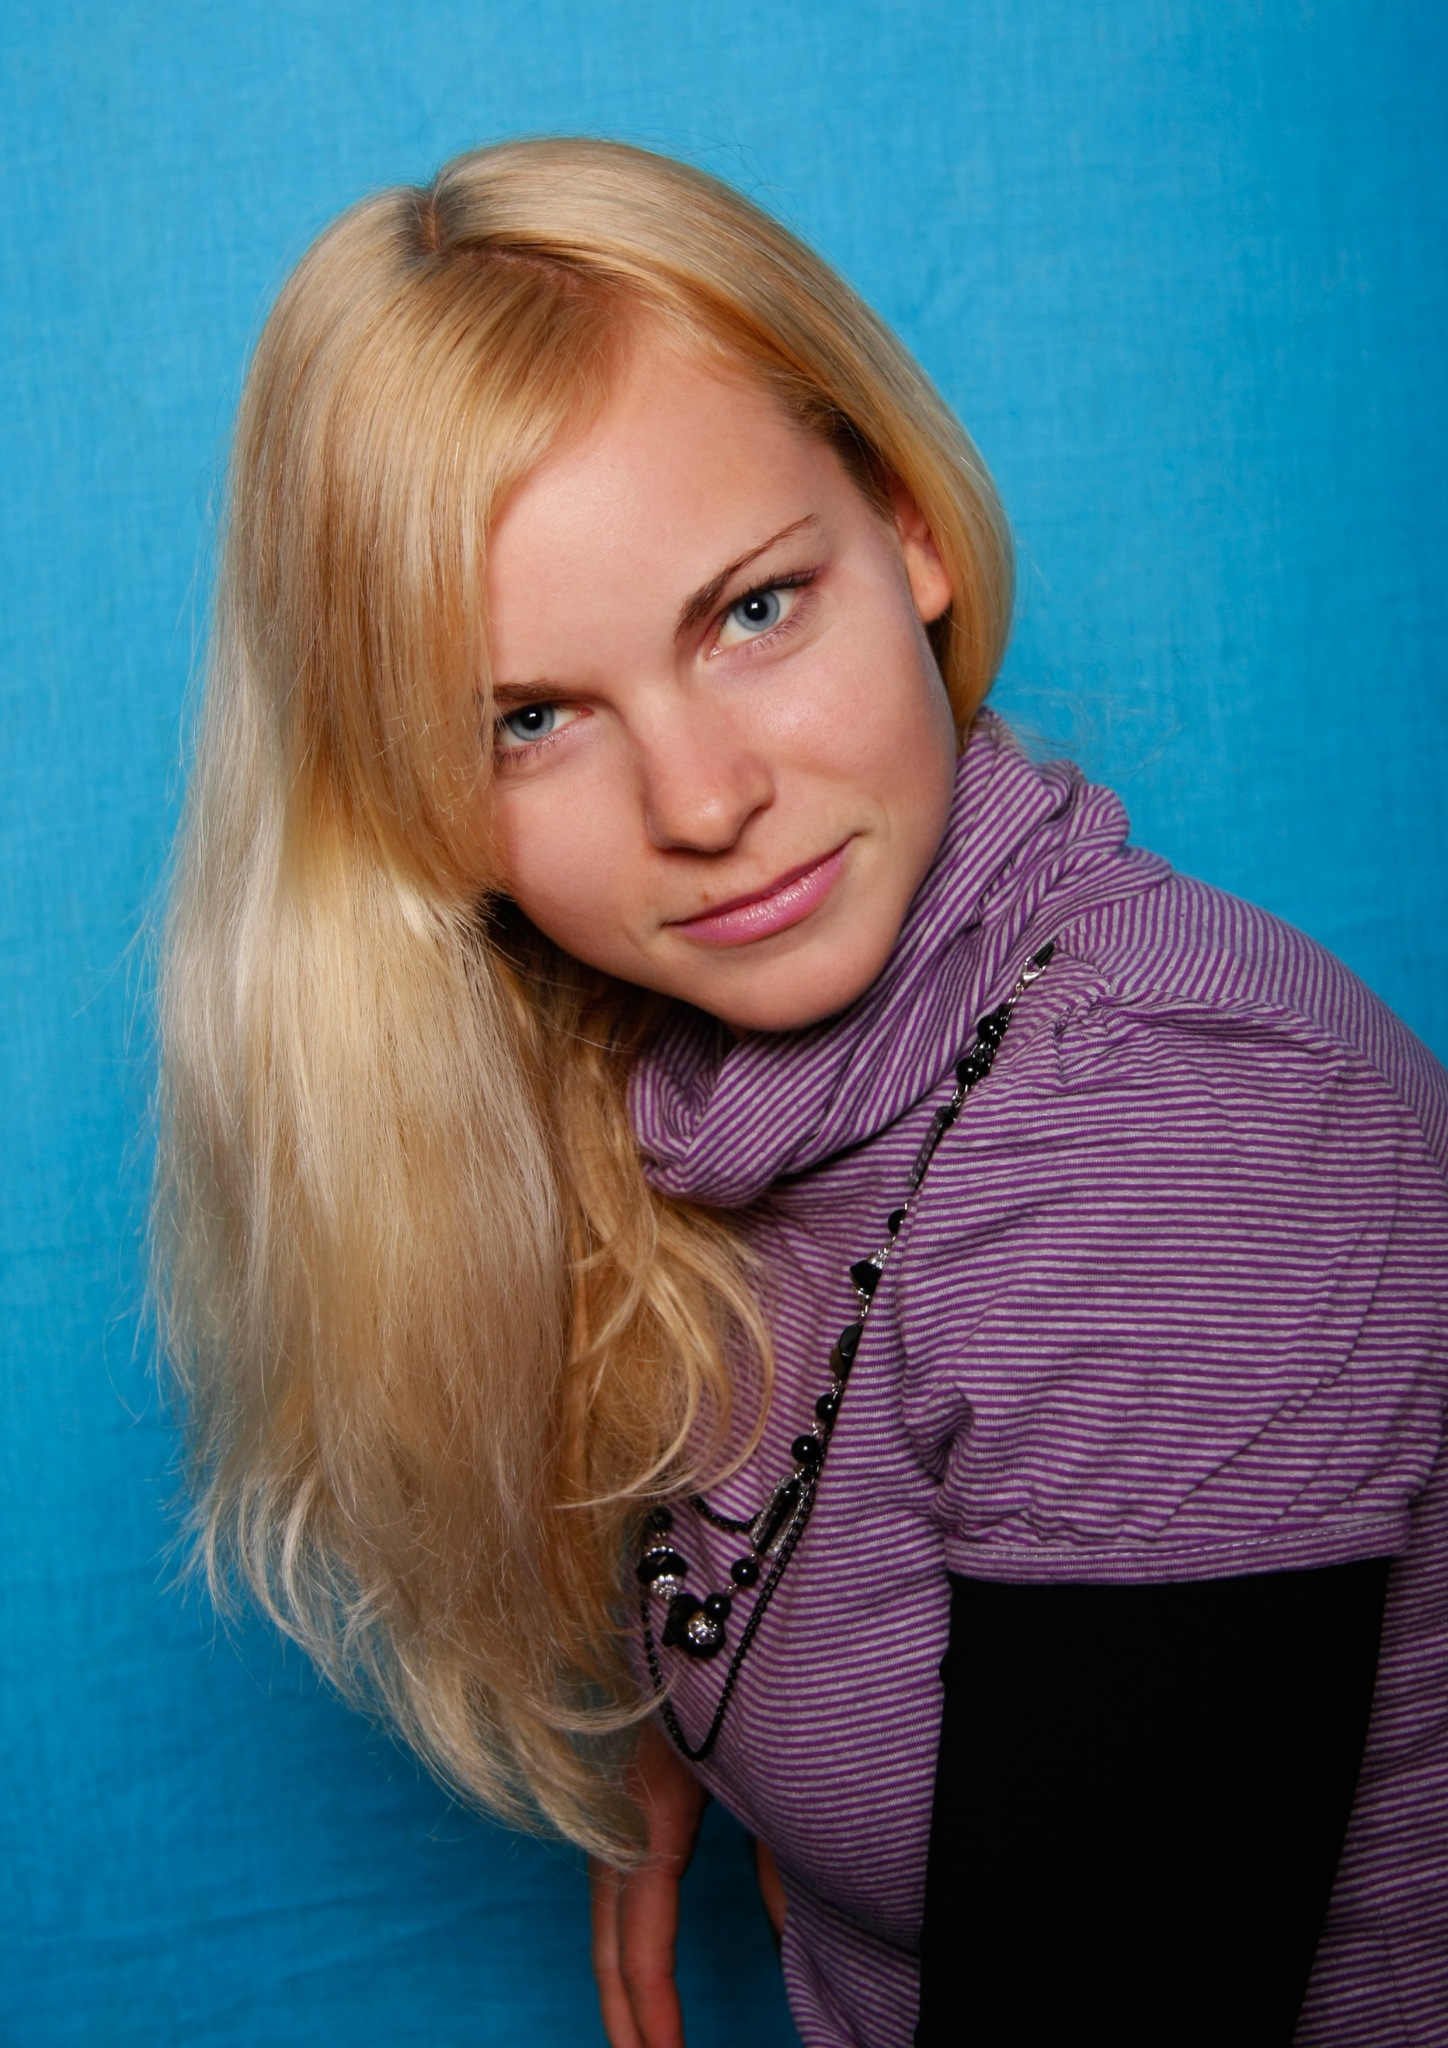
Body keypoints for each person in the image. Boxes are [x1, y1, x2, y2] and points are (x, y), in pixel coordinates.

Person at [154, 137, 1448, 2047]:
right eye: (531, 719)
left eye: (753, 610)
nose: (702, 803)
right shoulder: (708, 1080)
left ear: (910, 528)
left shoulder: (1173, 1142)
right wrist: (728, 1716)